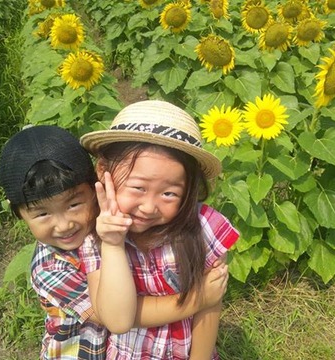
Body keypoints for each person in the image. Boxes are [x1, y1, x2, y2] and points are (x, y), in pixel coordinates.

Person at [0, 125, 228, 360]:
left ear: (96, 187)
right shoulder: (51, 267)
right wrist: (198, 299)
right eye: (42, 214)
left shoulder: (122, 225)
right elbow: (115, 317)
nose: (64, 224)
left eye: (74, 205)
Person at [80, 99, 240, 360]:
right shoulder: (96, 239)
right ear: (103, 171)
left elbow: (210, 309)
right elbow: (118, 320)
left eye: (169, 193)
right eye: (138, 187)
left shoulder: (204, 229)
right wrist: (113, 244)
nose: (148, 207)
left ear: (188, 189)